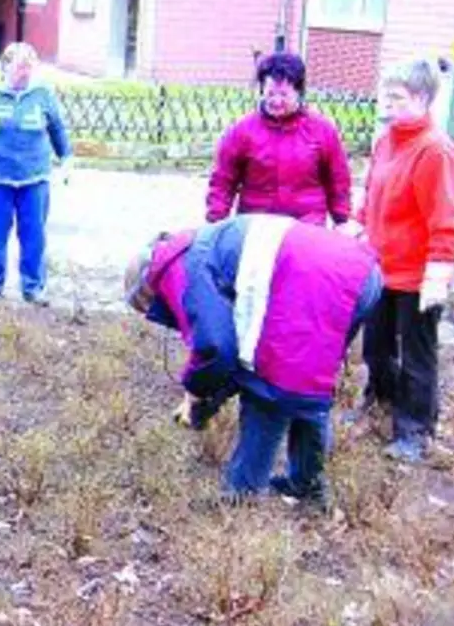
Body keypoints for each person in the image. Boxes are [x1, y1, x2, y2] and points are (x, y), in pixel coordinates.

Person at [123, 214, 382, 506]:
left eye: (145, 306)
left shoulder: (178, 272)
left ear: (146, 290)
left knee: (268, 389)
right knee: (308, 384)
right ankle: (306, 485)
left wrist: (195, 390)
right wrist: (211, 395)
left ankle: (242, 495)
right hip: (358, 274)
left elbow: (216, 347)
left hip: (320, 281)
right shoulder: (195, 247)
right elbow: (232, 342)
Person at [352, 57, 454, 463]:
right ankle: (380, 404)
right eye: (387, 94)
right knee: (376, 349)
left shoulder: (435, 151)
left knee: (417, 357)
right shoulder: (387, 141)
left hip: (418, 275)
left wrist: (438, 274)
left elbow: (446, 219)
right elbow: (371, 195)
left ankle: (414, 431)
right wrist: (357, 228)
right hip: (380, 268)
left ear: (421, 98)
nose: (388, 103)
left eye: (396, 97)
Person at [0, 42, 73, 308]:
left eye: (30, 67)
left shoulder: (42, 95)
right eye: (20, 67)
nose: (25, 73)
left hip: (34, 180)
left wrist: (66, 160)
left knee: (34, 236)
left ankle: (33, 288)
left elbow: (57, 129)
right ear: (6, 67)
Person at [206, 51, 353, 228]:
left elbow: (338, 179)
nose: (276, 101)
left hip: (306, 224)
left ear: (299, 92)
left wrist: (342, 219)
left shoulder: (322, 131)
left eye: (284, 95)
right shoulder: (241, 131)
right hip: (256, 222)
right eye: (270, 93)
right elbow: (223, 179)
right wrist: (216, 221)